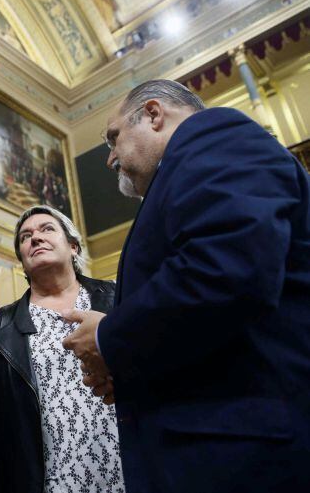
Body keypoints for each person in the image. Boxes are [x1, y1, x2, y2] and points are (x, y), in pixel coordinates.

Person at [62, 79, 310, 493]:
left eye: (113, 138)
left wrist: (108, 337)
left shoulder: (214, 138)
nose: (109, 159)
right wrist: (125, 368)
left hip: (243, 457)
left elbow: (225, 271)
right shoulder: (185, 168)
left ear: (155, 114)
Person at [0, 205, 124, 493]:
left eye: (47, 229)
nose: (35, 238)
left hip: (129, 472)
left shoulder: (118, 299)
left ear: (74, 247)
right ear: (22, 261)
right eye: (25, 237)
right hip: (50, 482)